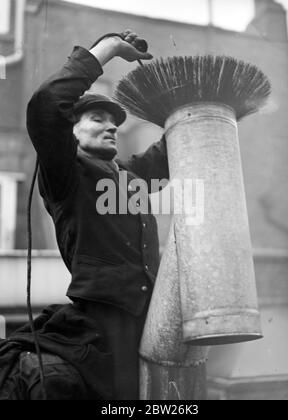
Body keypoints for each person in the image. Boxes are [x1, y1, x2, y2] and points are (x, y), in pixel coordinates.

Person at [23, 29, 169, 400]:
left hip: (150, 315)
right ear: (71, 130)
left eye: (114, 123)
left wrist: (192, 107)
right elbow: (45, 103)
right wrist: (108, 49)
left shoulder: (128, 176)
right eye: (97, 119)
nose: (111, 127)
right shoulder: (65, 172)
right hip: (103, 320)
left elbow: (168, 156)